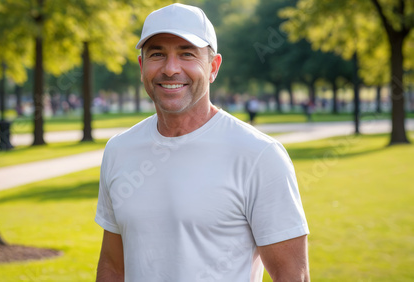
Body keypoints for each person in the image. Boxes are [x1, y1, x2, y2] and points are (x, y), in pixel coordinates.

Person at [95, 3, 310, 281]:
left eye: (187, 54)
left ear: (213, 67)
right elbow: (113, 267)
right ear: (142, 66)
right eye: (157, 54)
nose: (171, 69)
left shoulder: (259, 155)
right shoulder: (118, 150)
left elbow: (292, 275)